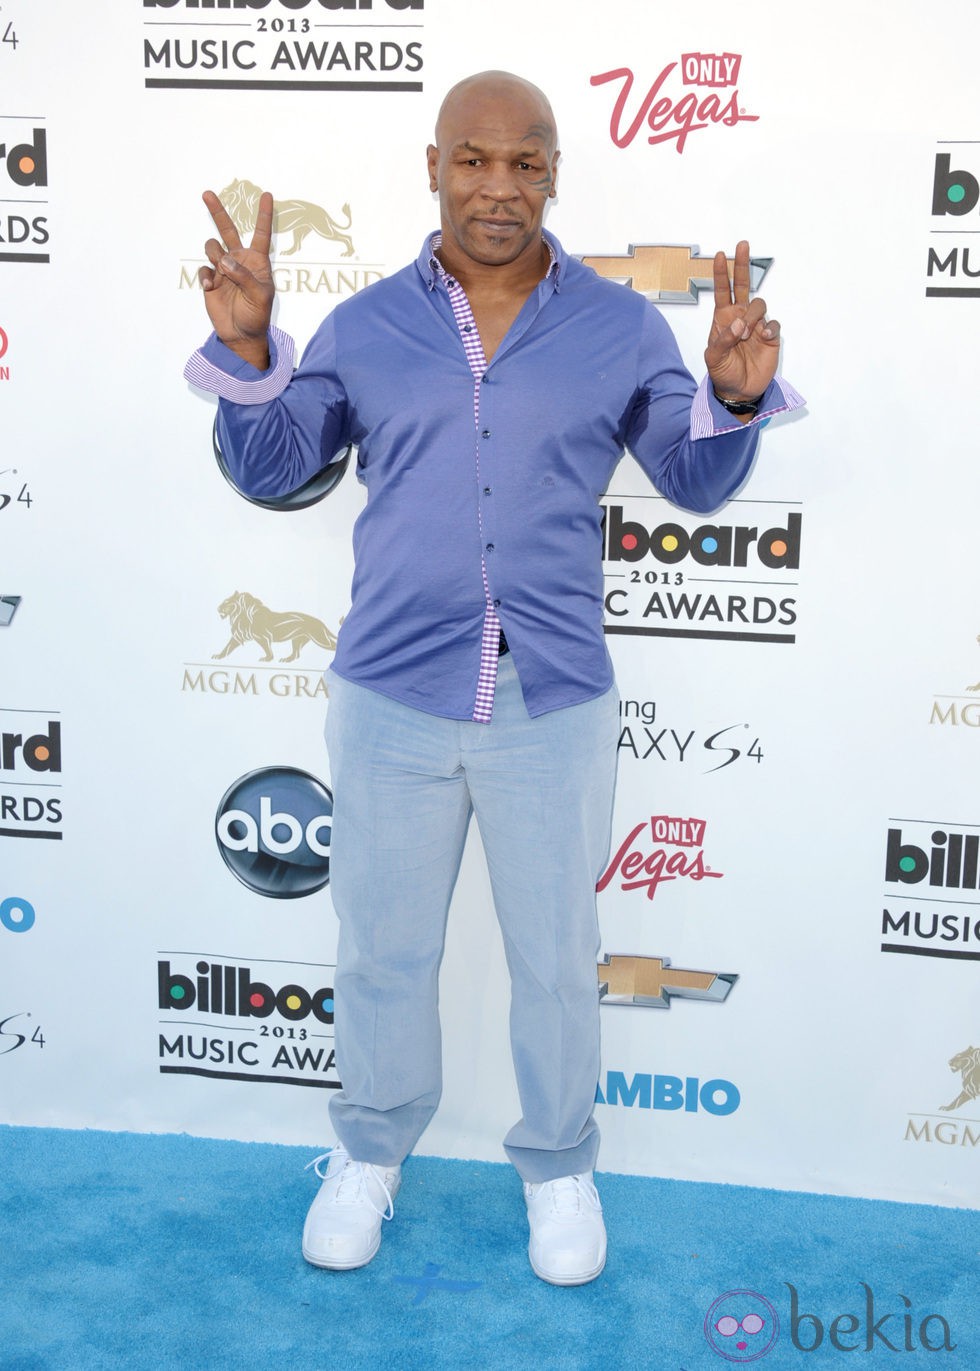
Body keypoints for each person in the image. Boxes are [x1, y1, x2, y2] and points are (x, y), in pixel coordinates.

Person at [185, 69, 803, 1286]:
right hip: (391, 701)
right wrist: (248, 345)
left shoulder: (621, 327)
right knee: (380, 954)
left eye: (525, 162)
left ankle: (560, 1170)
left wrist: (731, 401)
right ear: (432, 168)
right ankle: (370, 1154)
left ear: (555, 175)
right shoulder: (364, 325)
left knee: (554, 962)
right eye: (473, 160)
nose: (498, 186)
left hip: (551, 703)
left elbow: (687, 480)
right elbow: (271, 467)